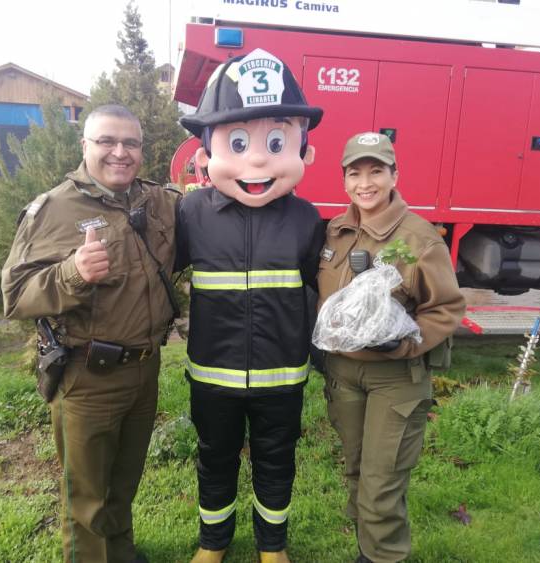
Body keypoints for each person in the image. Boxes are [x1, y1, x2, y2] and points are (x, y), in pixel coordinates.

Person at [1, 104, 179, 563]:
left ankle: (120, 553)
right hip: (88, 376)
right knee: (86, 497)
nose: (120, 152)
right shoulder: (54, 209)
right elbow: (15, 295)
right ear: (85, 146)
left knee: (122, 481)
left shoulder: (158, 201)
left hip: (144, 369)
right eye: (107, 142)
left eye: (131, 143)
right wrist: (72, 273)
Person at [177, 48, 326, 563]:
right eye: (237, 143)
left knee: (276, 460)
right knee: (214, 458)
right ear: (204, 154)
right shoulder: (191, 213)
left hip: (283, 376)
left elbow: (329, 292)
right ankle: (212, 543)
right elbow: (150, 271)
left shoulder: (308, 220)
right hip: (213, 374)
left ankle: (272, 547)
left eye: (276, 142)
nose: (257, 159)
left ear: (303, 152)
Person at [317, 132, 466, 563]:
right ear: (344, 181)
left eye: (376, 171)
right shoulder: (336, 231)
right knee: (357, 473)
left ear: (394, 175)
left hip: (395, 378)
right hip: (344, 373)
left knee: (381, 485)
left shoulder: (419, 238)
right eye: (355, 173)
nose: (366, 183)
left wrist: (402, 343)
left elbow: (445, 308)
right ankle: (370, 552)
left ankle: (385, 556)